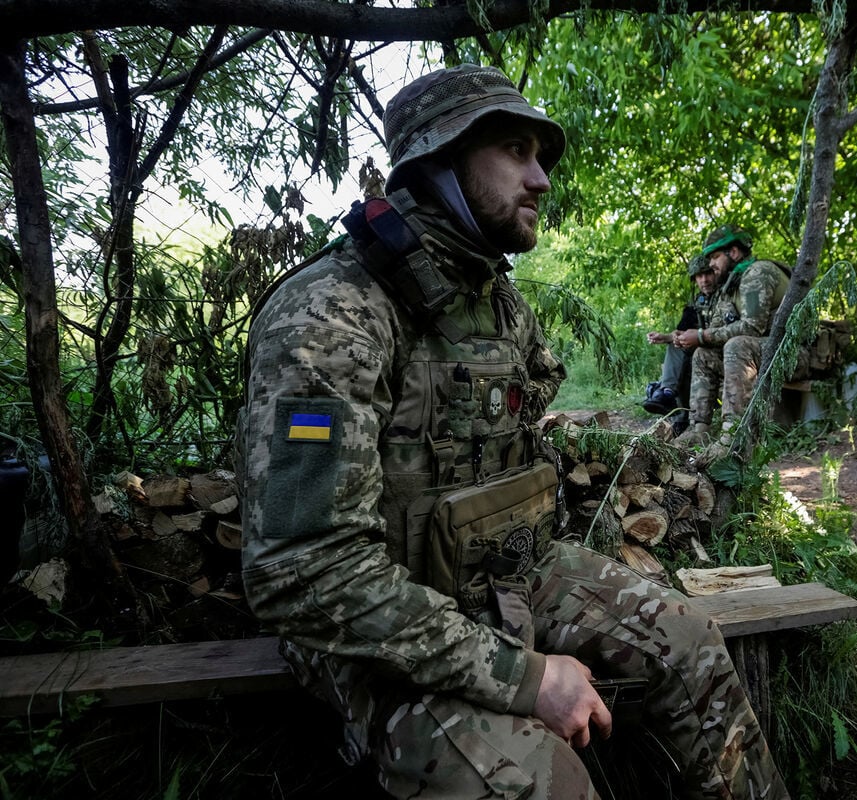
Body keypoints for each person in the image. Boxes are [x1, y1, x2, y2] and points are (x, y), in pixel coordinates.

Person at [238, 64, 788, 799]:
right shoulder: (333, 314)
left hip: (507, 578)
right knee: (540, 782)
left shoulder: (496, 302)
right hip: (379, 633)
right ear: (439, 159)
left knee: (691, 645)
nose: (542, 179)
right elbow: (305, 573)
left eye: (540, 156)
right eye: (515, 151)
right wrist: (525, 678)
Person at [672, 224, 789, 452]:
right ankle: (699, 429)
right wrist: (693, 338)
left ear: (733, 253)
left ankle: (733, 433)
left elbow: (752, 327)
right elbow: (717, 327)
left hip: (792, 352)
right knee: (703, 354)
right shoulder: (731, 283)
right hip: (765, 351)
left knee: (737, 345)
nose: (711, 265)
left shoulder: (758, 273)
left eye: (715, 257)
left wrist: (701, 335)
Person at [642, 254, 719, 423]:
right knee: (677, 345)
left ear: (716, 273)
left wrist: (697, 337)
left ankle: (674, 402)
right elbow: (682, 332)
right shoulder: (696, 303)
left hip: (721, 349)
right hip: (701, 348)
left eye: (708, 274)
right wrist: (666, 337)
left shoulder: (725, 297)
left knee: (692, 356)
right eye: (699, 276)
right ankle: (668, 395)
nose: (704, 280)